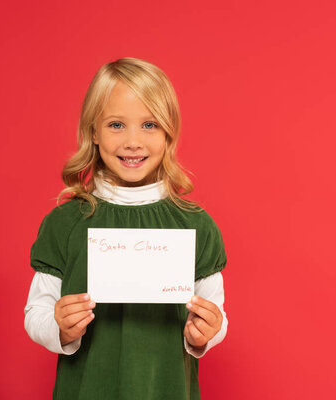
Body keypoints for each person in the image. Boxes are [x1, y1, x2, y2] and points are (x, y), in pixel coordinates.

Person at [24, 57, 228, 400]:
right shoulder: (66, 223)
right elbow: (37, 314)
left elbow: (215, 313)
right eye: (116, 125)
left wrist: (205, 333)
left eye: (149, 125)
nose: (133, 142)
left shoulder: (194, 225)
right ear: (94, 132)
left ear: (169, 133)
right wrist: (59, 328)